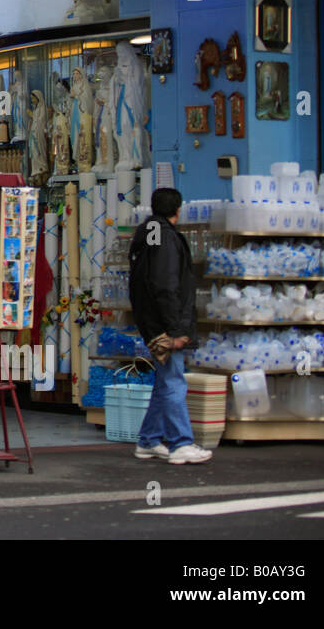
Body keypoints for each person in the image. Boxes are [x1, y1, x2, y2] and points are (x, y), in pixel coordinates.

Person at [128, 187, 211, 465]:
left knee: (165, 380)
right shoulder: (164, 237)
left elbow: (150, 278)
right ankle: (180, 443)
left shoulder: (149, 232)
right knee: (174, 380)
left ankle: (149, 439)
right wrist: (176, 329)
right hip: (163, 323)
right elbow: (165, 284)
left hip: (149, 319)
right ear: (179, 210)